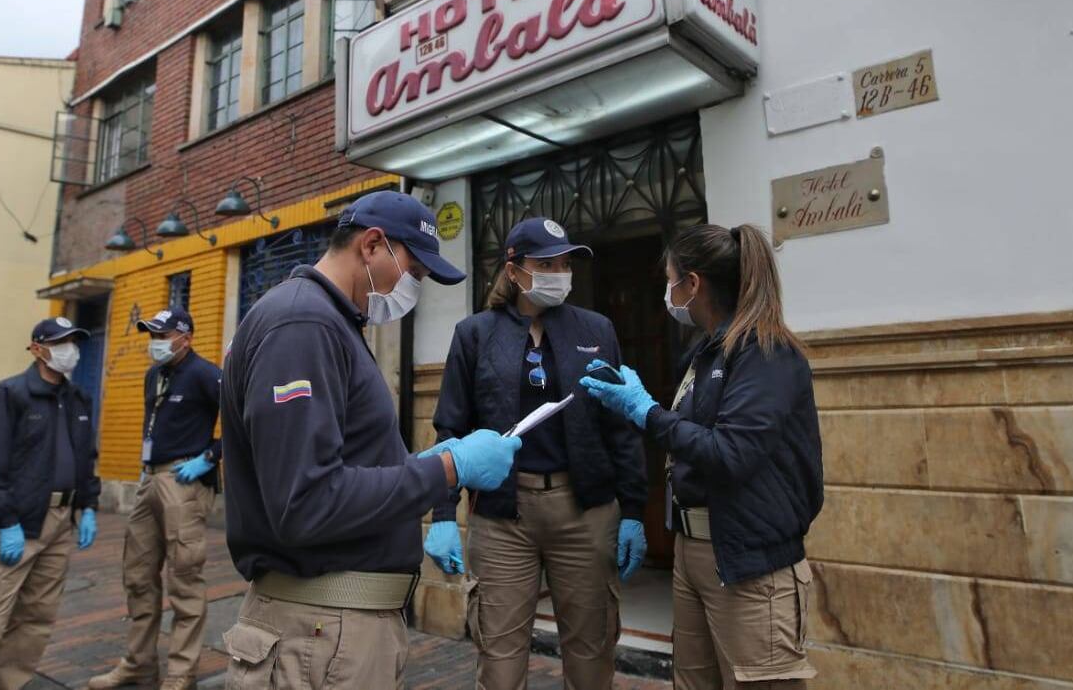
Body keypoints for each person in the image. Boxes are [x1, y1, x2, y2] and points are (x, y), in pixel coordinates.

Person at [218, 190, 522, 690]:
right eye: (415, 273)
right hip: (320, 630)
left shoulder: (330, 322)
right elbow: (306, 503)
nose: (414, 288)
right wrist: (446, 470)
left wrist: (423, 462)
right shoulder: (304, 324)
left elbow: (341, 462)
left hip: (332, 629)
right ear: (373, 244)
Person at [580, 224, 823, 690]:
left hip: (750, 561)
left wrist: (645, 411)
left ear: (692, 284)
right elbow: (694, 436)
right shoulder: (707, 351)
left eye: (670, 281)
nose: (667, 294)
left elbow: (731, 453)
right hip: (693, 550)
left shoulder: (765, 352)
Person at [426, 217, 648, 690]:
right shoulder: (475, 334)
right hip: (505, 516)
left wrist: (633, 508)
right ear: (513, 269)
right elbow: (450, 427)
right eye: (545, 263)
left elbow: (620, 423)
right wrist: (442, 512)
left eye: (564, 263)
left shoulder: (596, 329)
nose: (559, 272)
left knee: (591, 657)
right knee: (500, 661)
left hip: (585, 510)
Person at [0, 317, 101, 690]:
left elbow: (85, 458)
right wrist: (4, 520)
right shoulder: (7, 395)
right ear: (37, 349)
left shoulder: (78, 398)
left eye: (73, 342)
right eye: (60, 342)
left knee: (35, 621)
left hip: (60, 521)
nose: (70, 351)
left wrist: (89, 506)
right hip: (17, 522)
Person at [90, 307, 222, 690]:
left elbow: (247, 416)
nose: (156, 343)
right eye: (152, 335)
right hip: (149, 478)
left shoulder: (205, 374)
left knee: (184, 578)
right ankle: (139, 663)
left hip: (184, 479)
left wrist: (209, 458)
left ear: (186, 337)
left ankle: (181, 673)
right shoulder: (154, 375)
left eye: (163, 336)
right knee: (138, 575)